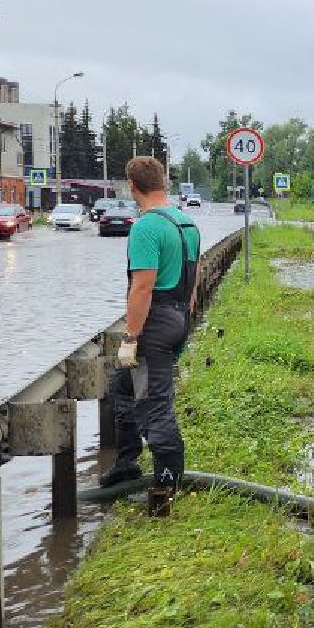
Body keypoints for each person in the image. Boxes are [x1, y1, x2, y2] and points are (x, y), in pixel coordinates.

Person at [99, 156, 202, 516]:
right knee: (121, 389)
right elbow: (194, 278)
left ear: (132, 187)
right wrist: (183, 319)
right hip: (178, 317)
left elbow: (141, 288)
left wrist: (131, 337)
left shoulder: (145, 227)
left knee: (154, 407)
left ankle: (164, 493)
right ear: (163, 182)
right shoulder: (186, 222)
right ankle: (126, 465)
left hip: (154, 324)